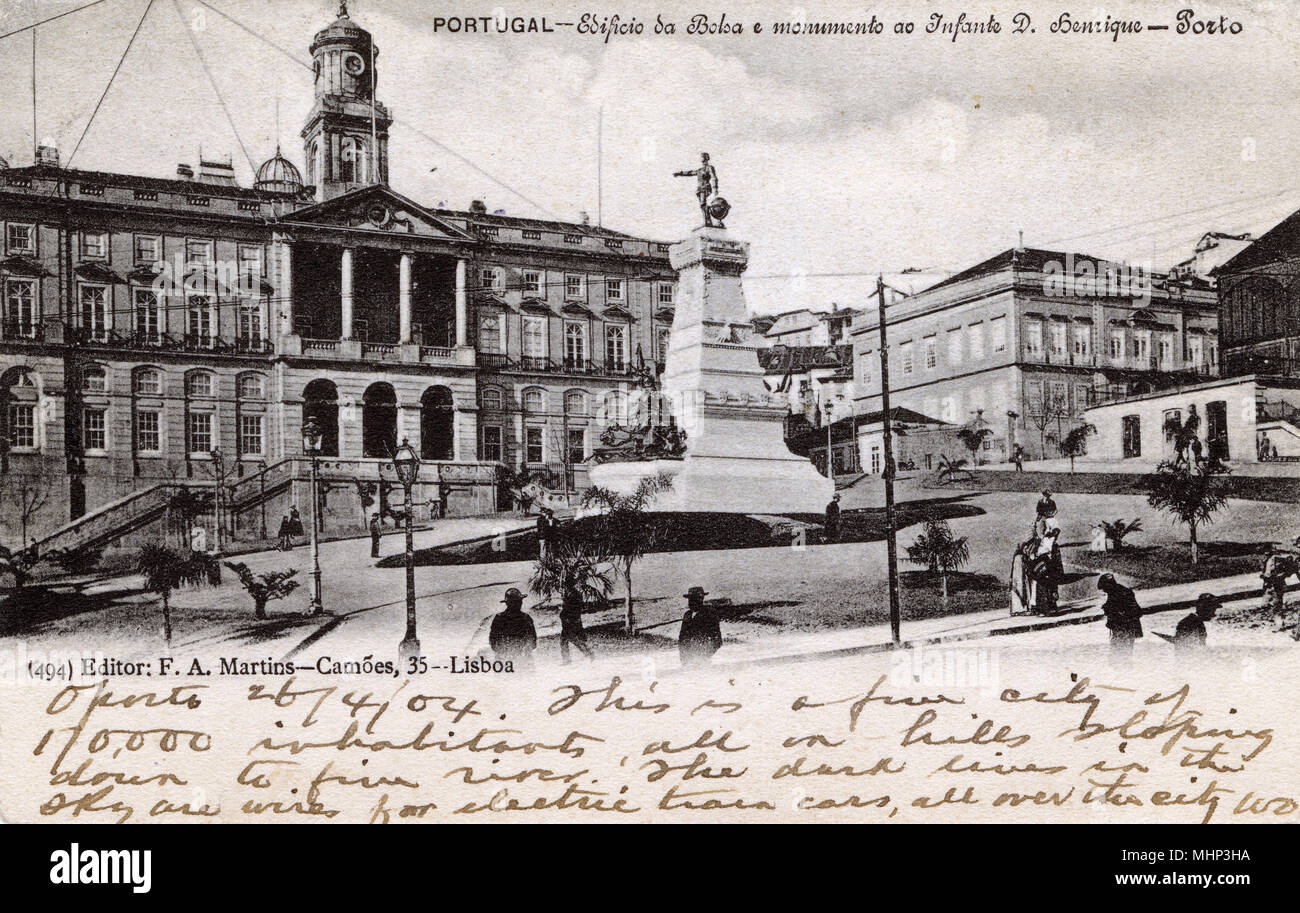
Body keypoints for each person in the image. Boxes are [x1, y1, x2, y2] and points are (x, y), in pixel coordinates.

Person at [489, 587, 538, 670]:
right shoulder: (526, 618)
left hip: (507, 661)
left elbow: (493, 642)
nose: (520, 603)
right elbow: (533, 643)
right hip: (516, 661)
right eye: (518, 602)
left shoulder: (499, 619)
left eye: (519, 601)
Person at [1098, 573, 1143, 660]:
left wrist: (1110, 610)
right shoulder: (1116, 591)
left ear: (1109, 585)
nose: (1104, 591)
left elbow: (1132, 611)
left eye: (1105, 588)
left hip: (1125, 629)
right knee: (1121, 654)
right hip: (1124, 629)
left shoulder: (1120, 593)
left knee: (1121, 654)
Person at [678, 586, 722, 667]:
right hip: (687, 662)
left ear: (701, 599)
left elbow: (717, 640)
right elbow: (681, 638)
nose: (692, 602)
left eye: (695, 599)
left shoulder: (710, 614)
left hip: (703, 662)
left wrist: (704, 656)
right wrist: (684, 658)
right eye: (690, 599)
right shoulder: (687, 615)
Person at [559, 582, 594, 664]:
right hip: (571, 621)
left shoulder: (572, 595)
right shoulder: (572, 594)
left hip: (570, 622)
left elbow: (571, 608)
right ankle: (567, 660)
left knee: (573, 640)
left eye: (564, 586)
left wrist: (564, 602)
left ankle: (588, 654)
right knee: (565, 640)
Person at [1009, 539, 1036, 616]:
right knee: (1020, 592)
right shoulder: (1020, 557)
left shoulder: (1020, 557)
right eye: (1025, 548)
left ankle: (1018, 609)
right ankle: (1021, 609)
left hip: (1020, 578)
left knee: (1020, 592)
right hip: (1019, 578)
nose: (1026, 550)